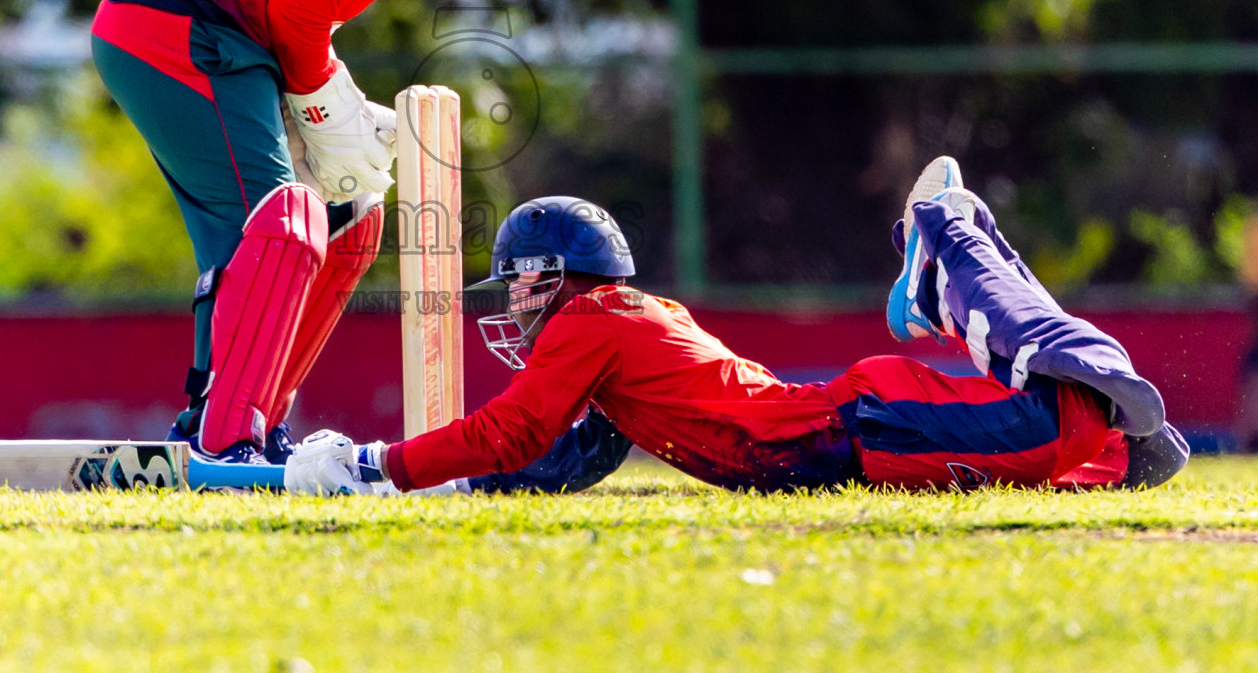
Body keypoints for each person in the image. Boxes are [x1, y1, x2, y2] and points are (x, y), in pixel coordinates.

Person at [89, 0, 569, 463]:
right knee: (286, 222)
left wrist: (328, 97)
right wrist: (324, 109)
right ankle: (229, 442)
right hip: (183, 31)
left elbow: (291, 12)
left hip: (216, 37)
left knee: (348, 221)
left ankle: (232, 421)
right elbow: (297, 17)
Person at [285, 161, 1190, 495]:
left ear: (558, 275)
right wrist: (465, 491)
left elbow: (515, 427)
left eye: (521, 283)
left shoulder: (589, 324)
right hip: (850, 433)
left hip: (854, 428)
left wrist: (379, 467)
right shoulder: (625, 324)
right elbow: (572, 456)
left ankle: (945, 229)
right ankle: (1121, 450)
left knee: (1062, 409)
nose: (513, 303)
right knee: (1052, 442)